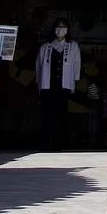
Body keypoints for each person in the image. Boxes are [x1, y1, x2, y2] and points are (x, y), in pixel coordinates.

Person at [34, 20, 82, 150]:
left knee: (61, 114)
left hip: (64, 86)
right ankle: (45, 142)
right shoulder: (46, 46)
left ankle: (59, 143)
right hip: (48, 86)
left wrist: (75, 81)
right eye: (58, 27)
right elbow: (39, 65)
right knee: (47, 114)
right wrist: (39, 83)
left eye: (64, 27)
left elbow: (77, 64)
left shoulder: (72, 46)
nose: (61, 29)